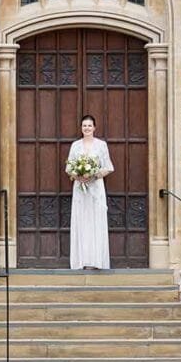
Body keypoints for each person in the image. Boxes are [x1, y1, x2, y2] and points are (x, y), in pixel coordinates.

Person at [67, 114, 114, 270]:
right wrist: (78, 176)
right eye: (84, 126)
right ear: (81, 128)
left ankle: (96, 261)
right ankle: (81, 261)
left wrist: (93, 175)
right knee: (82, 221)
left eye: (89, 125)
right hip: (80, 189)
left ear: (94, 127)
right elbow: (69, 168)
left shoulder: (101, 145)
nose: (86, 128)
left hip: (96, 189)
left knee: (95, 221)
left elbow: (108, 167)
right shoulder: (75, 146)